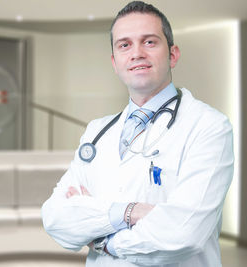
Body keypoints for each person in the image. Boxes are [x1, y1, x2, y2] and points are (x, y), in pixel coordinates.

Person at [41, 1, 234, 266]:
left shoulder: (208, 126)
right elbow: (55, 217)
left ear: (173, 54)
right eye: (124, 45)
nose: (136, 53)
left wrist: (103, 240)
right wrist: (129, 213)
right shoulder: (97, 132)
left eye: (150, 42)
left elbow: (183, 234)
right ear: (114, 62)